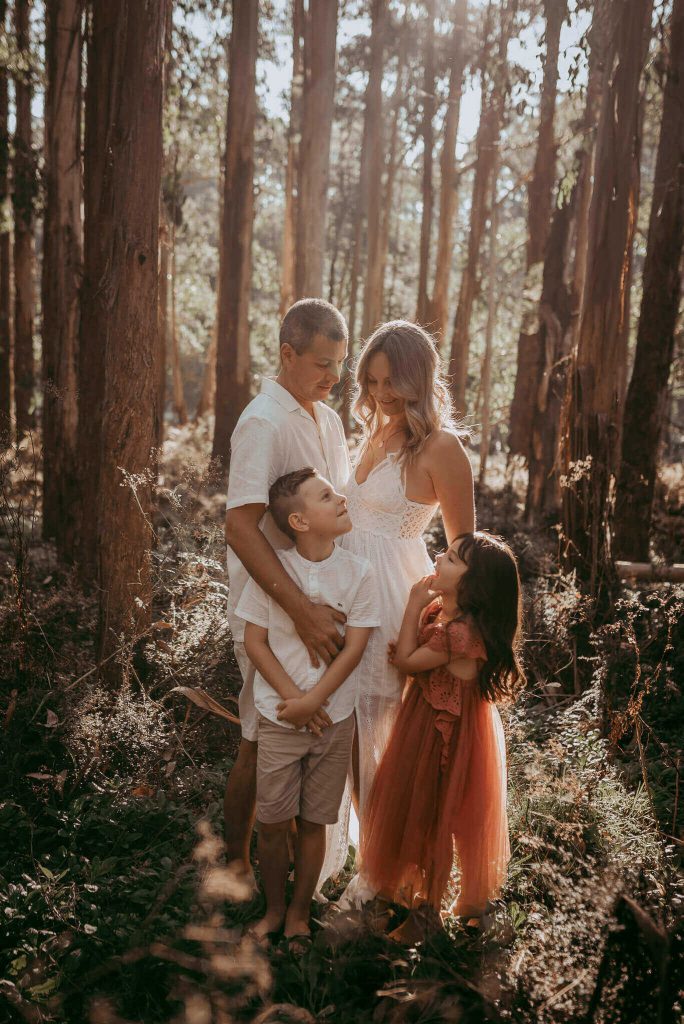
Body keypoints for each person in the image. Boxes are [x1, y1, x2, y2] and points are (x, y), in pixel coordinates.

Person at [324, 320, 475, 893]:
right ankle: (372, 864)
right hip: (343, 594)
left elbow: (464, 547)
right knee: (355, 735)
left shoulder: (441, 447)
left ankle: (402, 876)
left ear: (420, 378)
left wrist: (452, 633)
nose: (382, 393)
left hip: (395, 598)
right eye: (373, 380)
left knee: (394, 741)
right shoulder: (371, 433)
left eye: (393, 382)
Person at [223, 299, 352, 882]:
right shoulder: (262, 421)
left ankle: (299, 866)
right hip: (273, 607)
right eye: (323, 364)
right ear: (287, 354)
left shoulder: (327, 419)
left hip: (326, 604)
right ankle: (235, 868)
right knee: (261, 731)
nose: (333, 377)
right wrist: (297, 611)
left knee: (315, 732)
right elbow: (240, 526)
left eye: (340, 365)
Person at [235, 467, 378, 947]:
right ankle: (274, 909)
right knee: (273, 823)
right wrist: (293, 700)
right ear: (298, 520)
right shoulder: (275, 573)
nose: (341, 498)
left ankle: (299, 912)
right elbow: (256, 642)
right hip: (280, 719)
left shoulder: (358, 573)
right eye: (326, 495)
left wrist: (316, 701)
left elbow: (354, 648)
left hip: (334, 721)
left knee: (315, 821)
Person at [360, 531, 525, 942]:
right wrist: (424, 612)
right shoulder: (445, 615)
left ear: (473, 585)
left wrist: (413, 605)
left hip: (442, 736)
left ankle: (426, 915)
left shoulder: (461, 633)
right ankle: (424, 903)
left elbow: (407, 661)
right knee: (422, 813)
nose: (438, 556)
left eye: (451, 559)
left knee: (432, 817)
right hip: (427, 723)